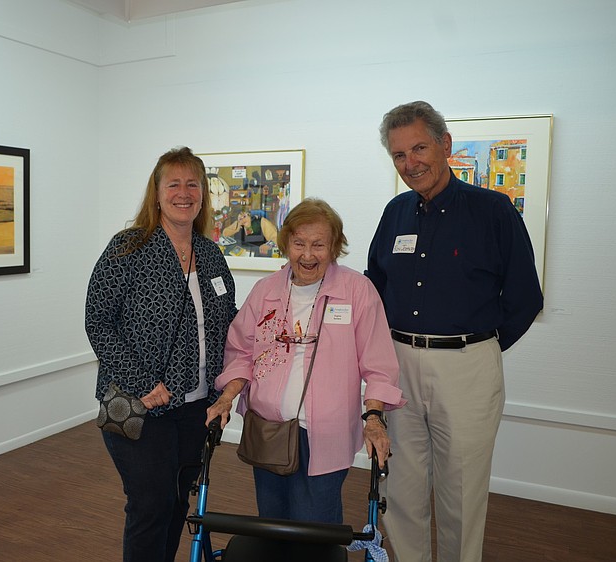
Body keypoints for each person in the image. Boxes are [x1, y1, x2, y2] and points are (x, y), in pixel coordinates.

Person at [366, 101, 544, 562]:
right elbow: (375, 288)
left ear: (445, 145)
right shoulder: (395, 214)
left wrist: (479, 346)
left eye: (419, 148)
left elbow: (526, 298)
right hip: (399, 364)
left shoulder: (494, 211)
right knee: (399, 487)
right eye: (399, 155)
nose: (411, 163)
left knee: (461, 493)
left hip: (468, 367)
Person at [206, 198, 404, 524]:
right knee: (272, 523)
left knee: (315, 525)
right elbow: (242, 352)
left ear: (334, 247)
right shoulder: (265, 291)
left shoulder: (357, 291)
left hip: (326, 433)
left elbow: (379, 365)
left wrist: (374, 418)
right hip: (268, 429)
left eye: (318, 245)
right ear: (286, 243)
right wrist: (227, 396)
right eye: (299, 243)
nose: (308, 255)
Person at [85, 146, 237, 562]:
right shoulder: (128, 248)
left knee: (177, 503)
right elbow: (98, 322)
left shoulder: (210, 254)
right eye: (174, 184)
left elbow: (229, 318)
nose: (183, 193)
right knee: (149, 506)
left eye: (193, 184)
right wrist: (143, 384)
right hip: (141, 406)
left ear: (204, 194)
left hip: (196, 407)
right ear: (156, 193)